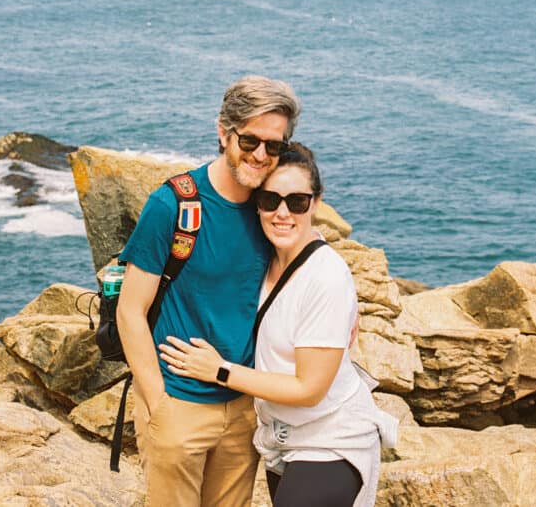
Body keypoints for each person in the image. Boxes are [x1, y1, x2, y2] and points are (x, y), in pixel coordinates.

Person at [159, 143, 397, 507]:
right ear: (257, 203)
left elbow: (309, 389)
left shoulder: (326, 277)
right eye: (270, 200)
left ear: (315, 203)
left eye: (297, 202)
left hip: (331, 439)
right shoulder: (262, 258)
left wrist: (219, 371)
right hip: (281, 439)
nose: (282, 212)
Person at [116, 75, 302, 507]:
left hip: (243, 406)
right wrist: (157, 403)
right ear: (223, 132)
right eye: (250, 140)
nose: (260, 155)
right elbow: (130, 310)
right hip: (177, 404)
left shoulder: (271, 211)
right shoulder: (172, 205)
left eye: (273, 146)